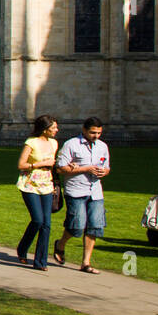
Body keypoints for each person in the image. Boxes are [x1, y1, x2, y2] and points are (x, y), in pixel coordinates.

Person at [53, 117, 110, 274]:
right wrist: (86, 169)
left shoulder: (102, 146)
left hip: (95, 192)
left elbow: (106, 167)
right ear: (84, 130)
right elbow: (60, 168)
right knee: (77, 226)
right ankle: (60, 245)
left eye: (98, 133)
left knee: (95, 227)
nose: (96, 136)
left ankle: (86, 263)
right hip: (76, 190)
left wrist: (104, 172)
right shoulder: (71, 145)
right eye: (92, 132)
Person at [15, 114, 59, 271]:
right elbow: (21, 164)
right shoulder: (31, 142)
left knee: (46, 224)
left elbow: (54, 164)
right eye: (53, 128)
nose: (56, 130)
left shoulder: (54, 143)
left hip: (46, 184)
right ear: (45, 129)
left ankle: (41, 262)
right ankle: (22, 248)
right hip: (30, 184)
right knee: (38, 220)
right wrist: (40, 164)